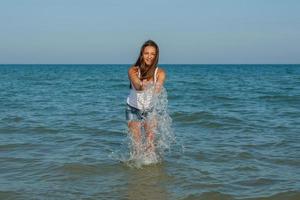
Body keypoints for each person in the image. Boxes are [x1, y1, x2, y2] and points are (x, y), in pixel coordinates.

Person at [125, 40, 166, 156]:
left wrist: (154, 86)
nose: (149, 57)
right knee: (136, 144)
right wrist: (142, 84)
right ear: (142, 54)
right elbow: (137, 85)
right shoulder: (133, 70)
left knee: (150, 142)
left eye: (152, 54)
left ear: (156, 56)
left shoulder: (160, 72)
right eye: (146, 53)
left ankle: (152, 170)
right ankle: (137, 171)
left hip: (150, 110)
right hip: (132, 108)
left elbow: (158, 89)